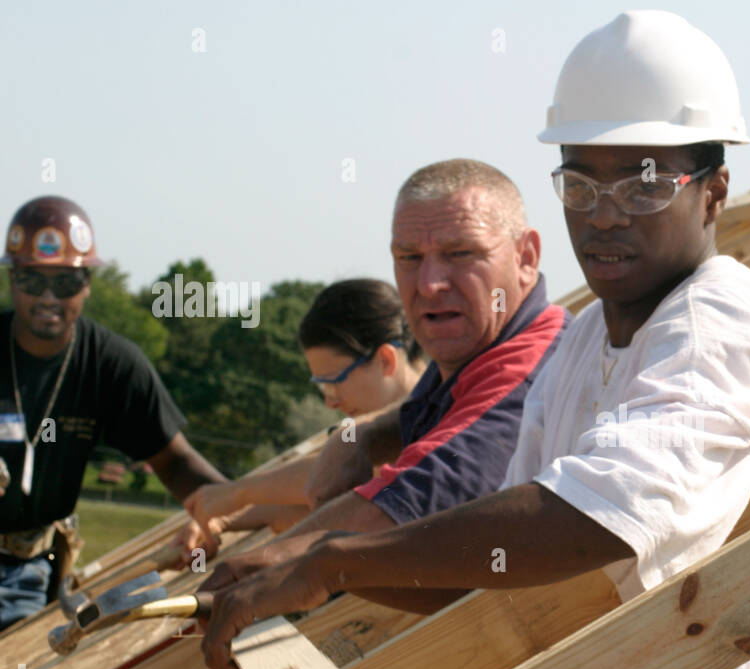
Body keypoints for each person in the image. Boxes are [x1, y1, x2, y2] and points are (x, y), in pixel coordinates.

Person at [199, 11, 750, 669]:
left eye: (644, 181)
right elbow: (495, 573)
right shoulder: (584, 342)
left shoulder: (722, 329)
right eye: (581, 182)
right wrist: (319, 575)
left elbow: (587, 519)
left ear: (713, 191)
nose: (604, 213)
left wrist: (327, 560)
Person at [187, 159, 567, 572]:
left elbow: (403, 503)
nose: (429, 284)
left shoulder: (528, 370)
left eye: (461, 253)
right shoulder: (468, 355)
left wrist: (237, 581)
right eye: (408, 257)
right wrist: (362, 437)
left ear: (525, 257)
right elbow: (413, 435)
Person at [0, 196, 227, 632]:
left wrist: (239, 508)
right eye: (32, 279)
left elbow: (176, 461)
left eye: (65, 283)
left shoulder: (111, 364)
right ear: (13, 279)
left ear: (87, 283)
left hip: (28, 573)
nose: (48, 297)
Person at [176, 278, 426, 552]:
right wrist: (224, 516)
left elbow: (331, 475)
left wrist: (238, 494)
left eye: (334, 381)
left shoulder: (437, 417)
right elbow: (313, 506)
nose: (330, 402)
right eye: (321, 386)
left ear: (386, 360)